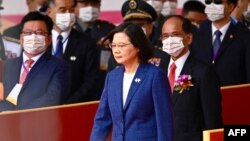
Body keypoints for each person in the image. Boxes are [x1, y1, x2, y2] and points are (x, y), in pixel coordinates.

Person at [90, 22, 173, 141]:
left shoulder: (155, 76)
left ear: (138, 46)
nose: (116, 50)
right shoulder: (112, 77)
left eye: (122, 45)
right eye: (113, 46)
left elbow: (164, 122)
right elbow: (102, 119)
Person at [162, 15, 223, 141]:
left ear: (188, 38)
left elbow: (212, 120)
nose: (170, 40)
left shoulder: (203, 71)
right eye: (166, 36)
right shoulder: (158, 70)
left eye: (175, 35)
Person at [0, 11, 71, 112]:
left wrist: (18, 114)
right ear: (21, 38)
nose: (33, 37)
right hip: (8, 123)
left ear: (49, 39)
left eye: (39, 33)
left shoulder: (60, 66)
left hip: (40, 124)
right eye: (28, 33)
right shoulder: (8, 65)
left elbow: (52, 99)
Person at [47, 0, 100, 103]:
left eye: (71, 10)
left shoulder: (87, 43)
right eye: (62, 10)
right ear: (49, 12)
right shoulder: (41, 41)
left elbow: (91, 81)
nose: (68, 14)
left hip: (74, 108)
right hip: (44, 108)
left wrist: (68, 104)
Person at [191, 0, 250, 86]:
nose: (212, 6)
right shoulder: (196, 34)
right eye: (208, 2)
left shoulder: (245, 36)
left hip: (232, 95)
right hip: (202, 96)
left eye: (217, 2)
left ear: (231, 7)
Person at [109, 0, 169, 72]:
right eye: (131, 25)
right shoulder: (117, 55)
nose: (136, 29)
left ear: (150, 28)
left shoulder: (164, 54)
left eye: (141, 24)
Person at [74, 0, 116, 98]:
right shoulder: (69, 30)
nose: (90, 7)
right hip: (77, 93)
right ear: (74, 7)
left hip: (103, 89)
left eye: (94, 3)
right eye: (85, 3)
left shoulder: (110, 30)